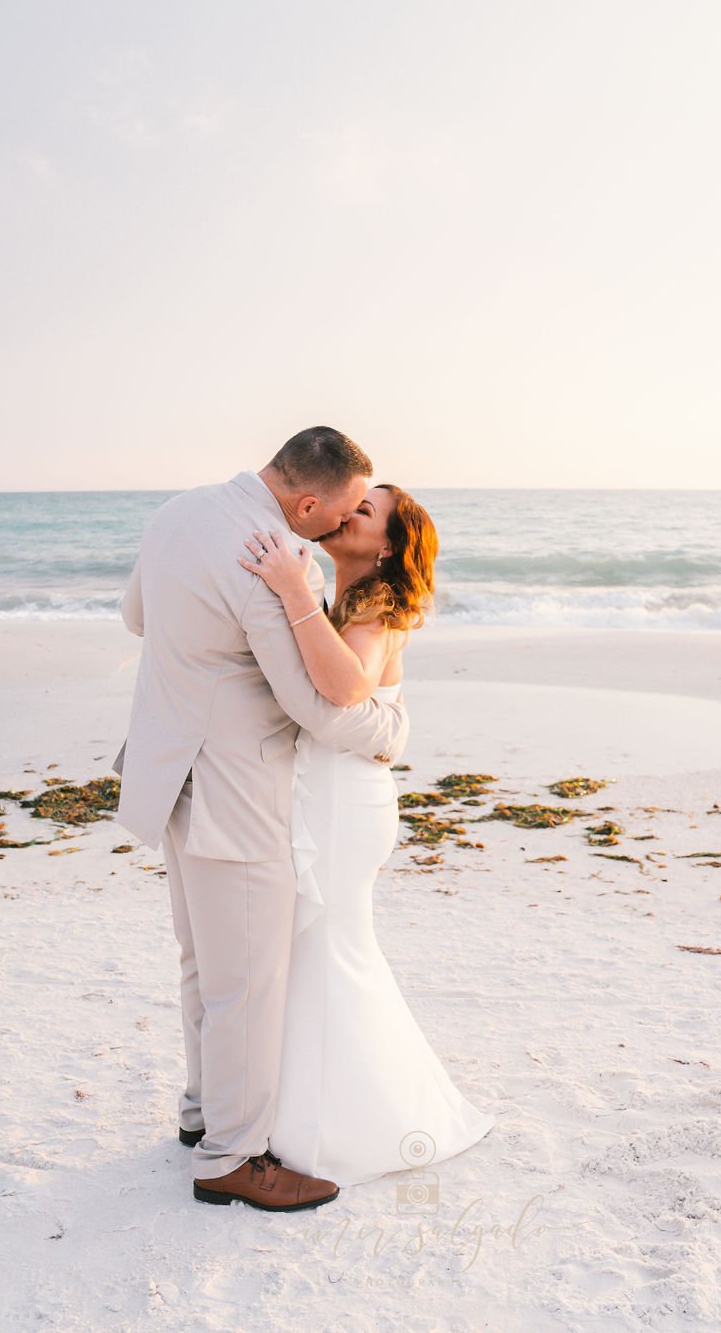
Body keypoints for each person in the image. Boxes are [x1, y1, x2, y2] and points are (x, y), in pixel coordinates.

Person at [112, 427, 410, 1211]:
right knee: (247, 978)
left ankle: (201, 1110)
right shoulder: (275, 558)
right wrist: (389, 728)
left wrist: (204, 655)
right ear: (307, 501)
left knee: (201, 963)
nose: (341, 524)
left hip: (164, 769)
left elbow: (136, 615)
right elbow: (313, 703)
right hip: (231, 793)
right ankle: (232, 1157)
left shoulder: (177, 513)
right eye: (341, 510)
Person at [236, 481, 494, 1185]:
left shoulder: (383, 605)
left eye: (366, 510)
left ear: (386, 546)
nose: (348, 511)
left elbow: (345, 689)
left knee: (328, 947)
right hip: (326, 793)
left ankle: (344, 1128)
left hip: (345, 805)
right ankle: (304, 1112)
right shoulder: (340, 601)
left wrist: (290, 590)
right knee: (319, 946)